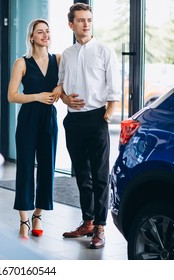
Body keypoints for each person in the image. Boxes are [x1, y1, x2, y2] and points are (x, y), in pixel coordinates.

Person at [58, 3, 121, 249]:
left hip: (97, 118)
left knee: (100, 176)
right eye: (81, 20)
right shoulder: (67, 54)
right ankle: (87, 221)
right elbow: (61, 86)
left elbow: (114, 88)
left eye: (89, 20)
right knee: (82, 175)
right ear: (71, 24)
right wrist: (65, 99)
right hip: (73, 120)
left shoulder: (105, 51)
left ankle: (100, 228)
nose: (86, 24)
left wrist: (107, 114)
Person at [8, 19, 62, 240]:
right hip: (29, 118)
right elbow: (12, 96)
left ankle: (38, 215)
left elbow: (66, 81)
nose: (45, 35)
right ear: (32, 36)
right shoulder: (22, 62)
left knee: (47, 168)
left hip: (49, 118)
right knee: (26, 169)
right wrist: (38, 96)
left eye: (48, 31)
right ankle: (23, 221)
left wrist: (59, 87)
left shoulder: (58, 59)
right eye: (40, 32)